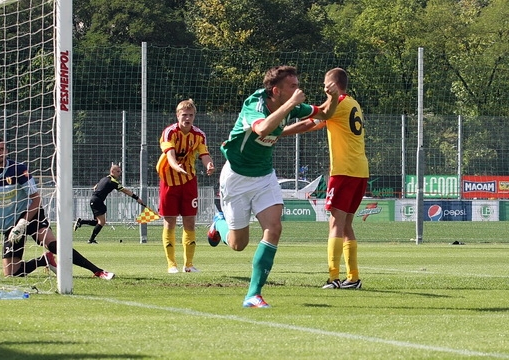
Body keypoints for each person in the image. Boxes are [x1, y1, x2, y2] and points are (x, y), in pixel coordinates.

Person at [207, 65, 339, 308]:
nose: (298, 90)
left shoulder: (291, 104)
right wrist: (291, 106)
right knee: (238, 244)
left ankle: (253, 295)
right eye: (293, 86)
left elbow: (325, 114)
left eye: (298, 85)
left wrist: (332, 95)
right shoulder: (254, 103)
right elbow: (262, 128)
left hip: (265, 177)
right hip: (236, 176)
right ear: (276, 90)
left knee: (274, 228)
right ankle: (219, 223)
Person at [0, 137, 114, 279]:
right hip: (9, 225)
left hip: (30, 215)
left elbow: (36, 199)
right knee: (11, 273)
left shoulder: (19, 169)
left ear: (7, 151)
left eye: (2, 149)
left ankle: (98, 271)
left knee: (54, 244)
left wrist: (23, 223)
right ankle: (44, 260)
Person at [283, 68, 369, 289]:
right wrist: (280, 133)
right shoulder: (352, 103)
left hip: (344, 170)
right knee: (346, 225)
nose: (323, 87)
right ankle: (354, 277)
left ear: (332, 83)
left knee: (335, 223)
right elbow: (310, 124)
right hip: (359, 170)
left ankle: (333, 278)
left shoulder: (337, 102)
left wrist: (280, 119)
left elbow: (314, 115)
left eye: (324, 83)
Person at [156, 99, 215, 274]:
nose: (187, 118)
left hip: (189, 181)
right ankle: (171, 264)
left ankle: (189, 265)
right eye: (184, 115)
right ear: (178, 116)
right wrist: (176, 167)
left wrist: (209, 165)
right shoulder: (170, 132)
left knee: (190, 221)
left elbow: (204, 154)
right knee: (170, 222)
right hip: (169, 181)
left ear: (194, 116)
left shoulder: (199, 135)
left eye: (190, 115)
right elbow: (170, 155)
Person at [74, 164, 145, 244]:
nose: (119, 173)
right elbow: (125, 191)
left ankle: (82, 222)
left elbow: (95, 186)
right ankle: (90, 240)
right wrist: (137, 198)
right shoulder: (112, 181)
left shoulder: (104, 178)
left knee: (97, 222)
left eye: (120, 172)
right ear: (112, 171)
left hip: (95, 200)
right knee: (101, 222)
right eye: (118, 171)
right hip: (97, 201)